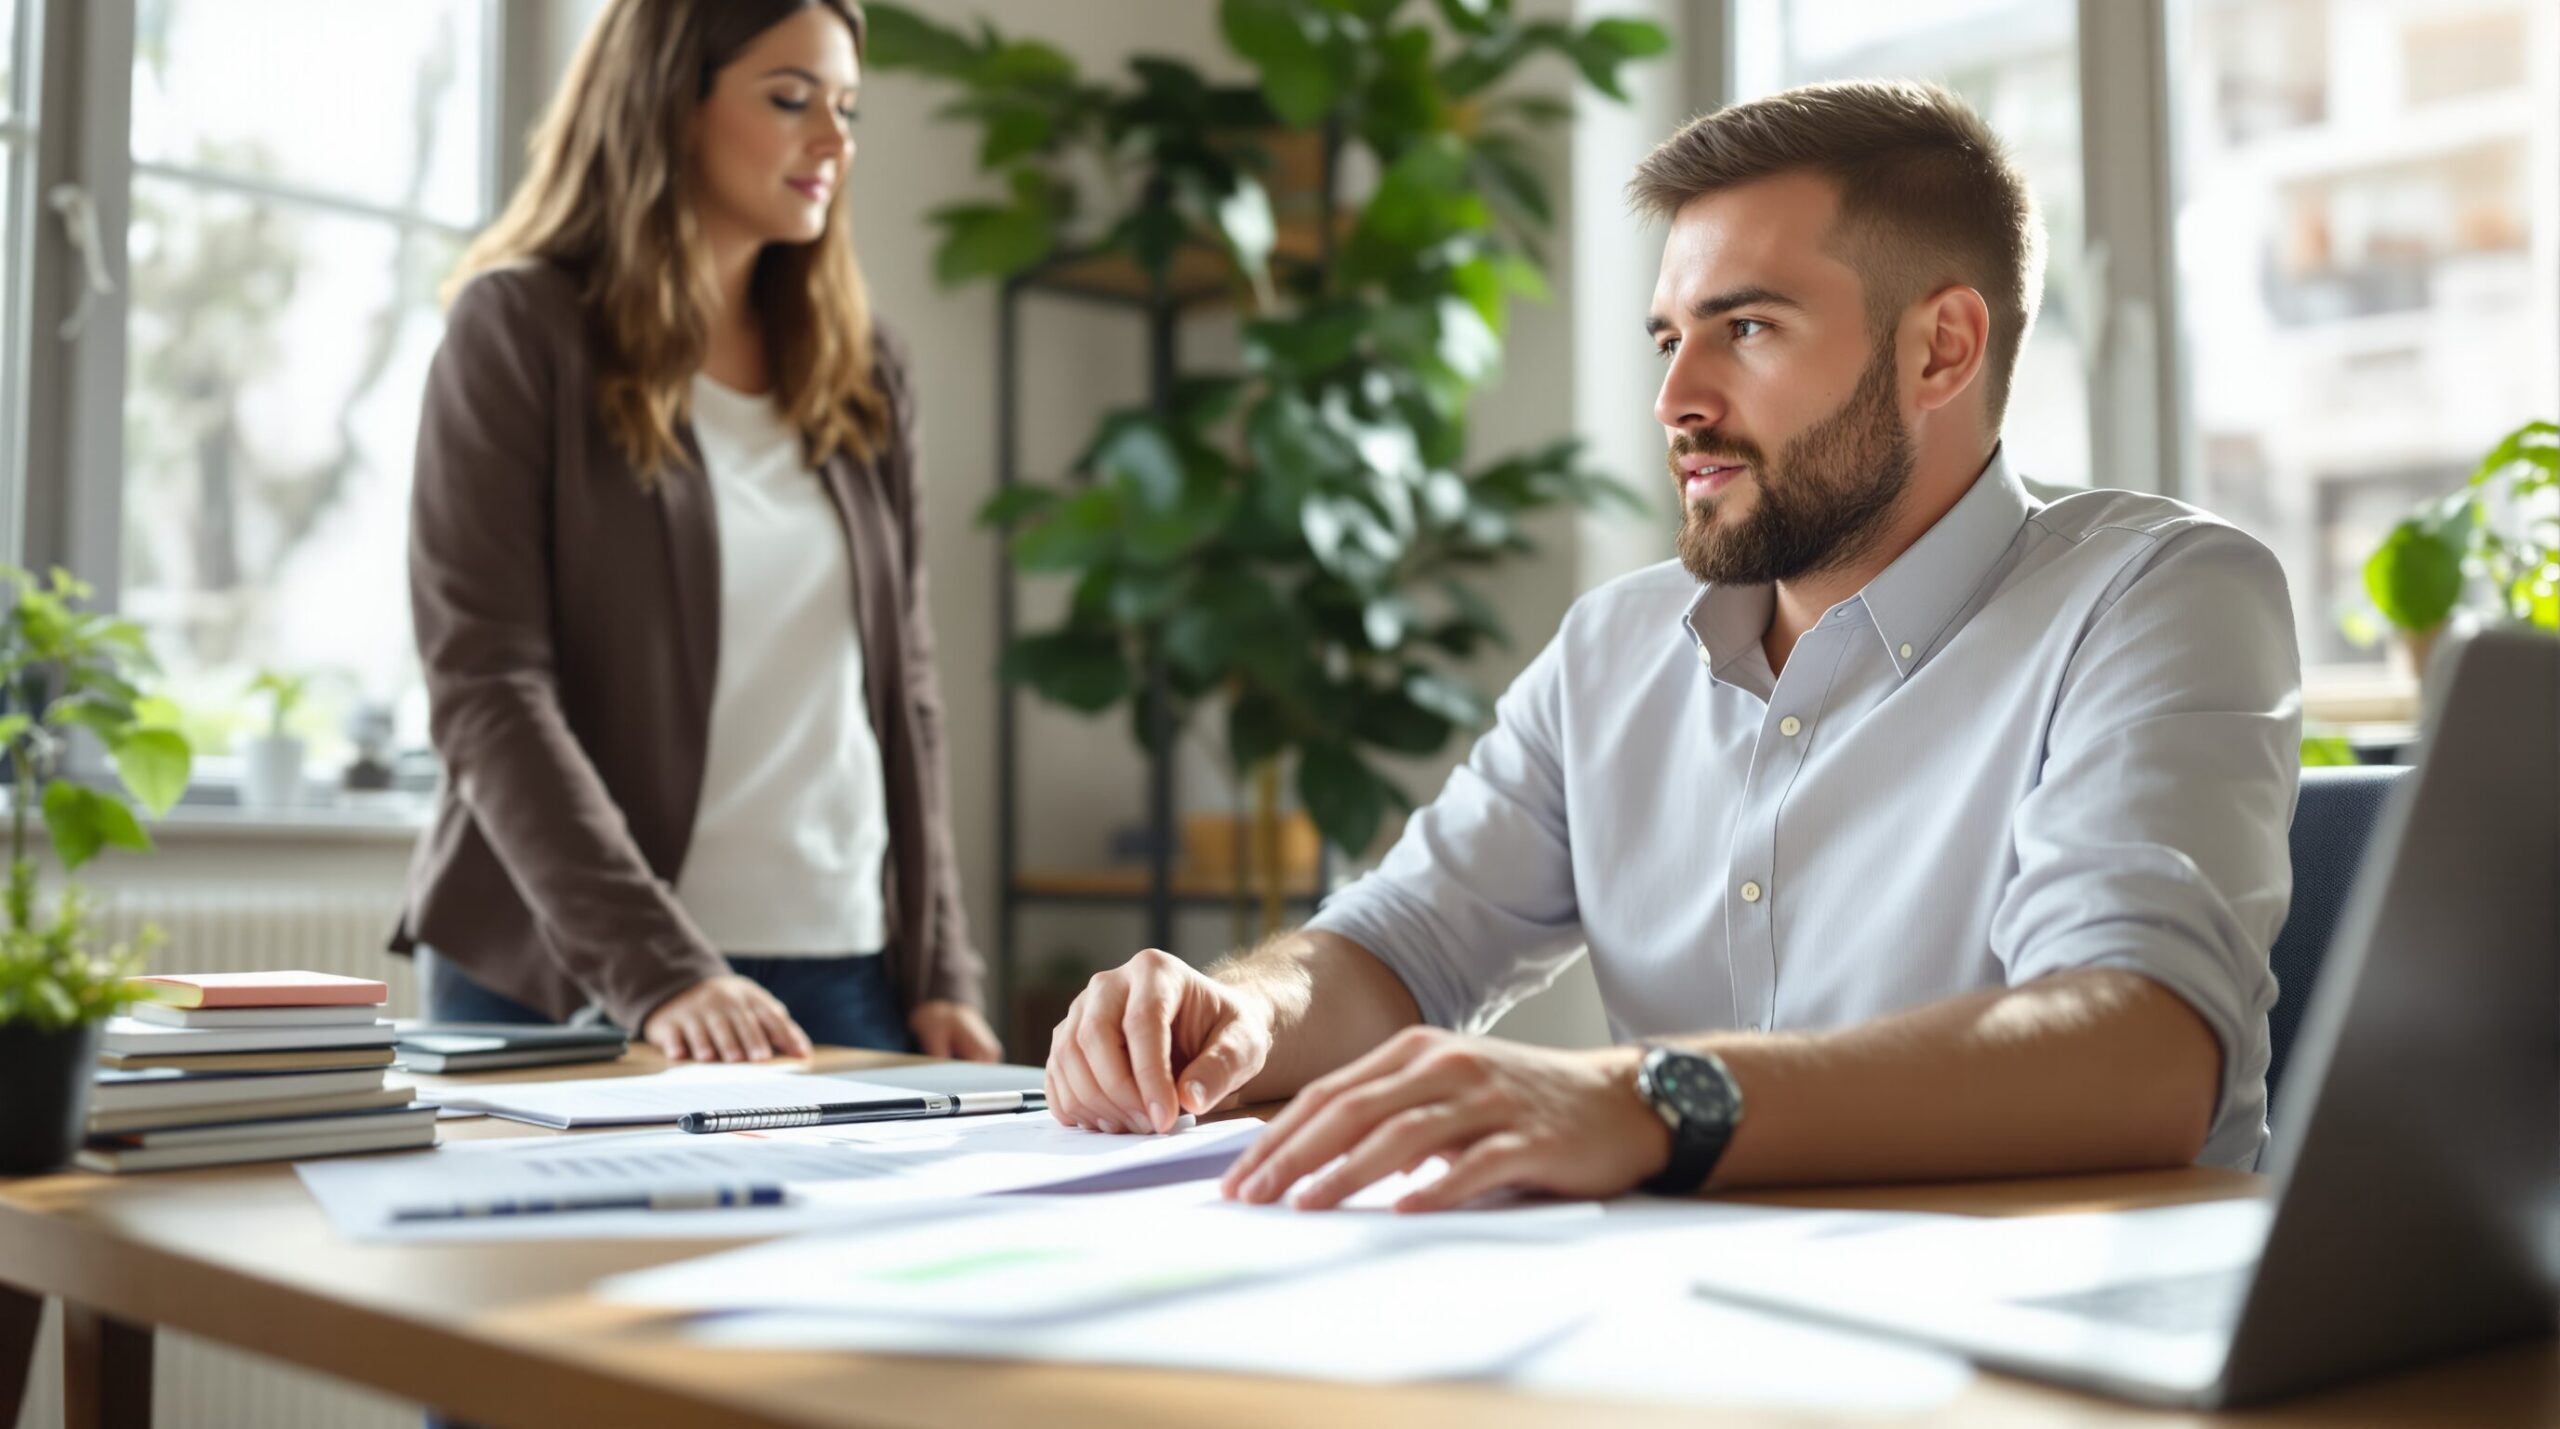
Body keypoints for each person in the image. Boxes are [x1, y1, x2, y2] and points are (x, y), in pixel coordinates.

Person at [1044, 80, 2299, 1210]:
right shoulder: (1618, 644)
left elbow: (2135, 1054)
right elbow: (1405, 946)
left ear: (1941, 347)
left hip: (2050, 1335)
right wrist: (1248, 1015)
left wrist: (1649, 1099)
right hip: (1685, 1324)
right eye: (1667, 336)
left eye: (1744, 328)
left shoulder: (2157, 597)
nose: (1675, 398)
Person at [394, 0, 999, 1067]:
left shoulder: (866, 371)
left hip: (841, 966)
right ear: (668, 104)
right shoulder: (518, 332)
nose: (834, 140)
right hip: (567, 969)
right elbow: (487, 686)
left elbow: (905, 690)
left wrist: (942, 965)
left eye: (847, 107)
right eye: (789, 98)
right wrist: (658, 965)